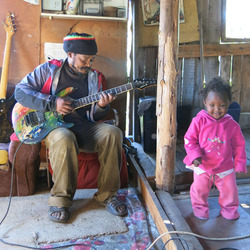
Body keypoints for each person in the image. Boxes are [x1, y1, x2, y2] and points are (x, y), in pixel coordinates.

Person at [13, 32, 128, 223]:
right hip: (55, 128)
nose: (89, 64)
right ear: (70, 55)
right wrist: (52, 102)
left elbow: (93, 116)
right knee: (65, 138)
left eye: (92, 59)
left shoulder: (95, 78)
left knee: (113, 133)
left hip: (84, 127)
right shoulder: (48, 70)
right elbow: (20, 91)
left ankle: (108, 195)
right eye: (84, 59)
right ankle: (60, 200)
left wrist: (101, 107)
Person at [183, 77, 246, 220]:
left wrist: (240, 163)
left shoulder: (232, 125)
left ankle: (229, 210)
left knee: (230, 191)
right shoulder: (199, 121)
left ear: (228, 104)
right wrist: (194, 155)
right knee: (199, 190)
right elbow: (189, 139)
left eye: (222, 105)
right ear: (205, 103)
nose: (217, 109)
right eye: (212, 105)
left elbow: (239, 145)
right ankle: (200, 208)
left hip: (225, 167)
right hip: (203, 166)